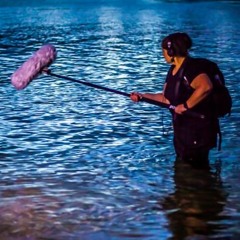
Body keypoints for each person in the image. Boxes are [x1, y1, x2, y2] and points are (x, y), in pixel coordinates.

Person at [130, 32, 219, 168]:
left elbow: (206, 86)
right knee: (184, 170)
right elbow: (166, 99)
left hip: (197, 133)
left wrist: (185, 106)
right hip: (182, 133)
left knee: (194, 171)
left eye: (163, 51)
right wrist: (142, 96)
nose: (162, 54)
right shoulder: (173, 70)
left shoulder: (192, 68)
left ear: (171, 51)